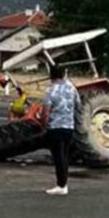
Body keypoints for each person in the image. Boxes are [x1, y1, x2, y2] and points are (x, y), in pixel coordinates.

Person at [42, 65, 80, 196]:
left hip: (55, 127)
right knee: (65, 155)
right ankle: (64, 183)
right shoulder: (72, 88)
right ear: (63, 74)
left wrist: (44, 125)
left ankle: (61, 185)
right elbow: (78, 105)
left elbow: (46, 112)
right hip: (69, 126)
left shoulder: (50, 91)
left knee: (58, 157)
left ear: (51, 75)